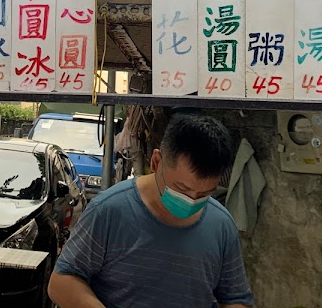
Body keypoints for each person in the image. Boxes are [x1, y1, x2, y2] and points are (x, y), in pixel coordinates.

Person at [49, 113, 254, 308]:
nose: (191, 201)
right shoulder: (108, 211)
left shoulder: (222, 225)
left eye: (204, 194)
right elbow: (61, 282)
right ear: (156, 162)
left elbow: (235, 298)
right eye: (182, 189)